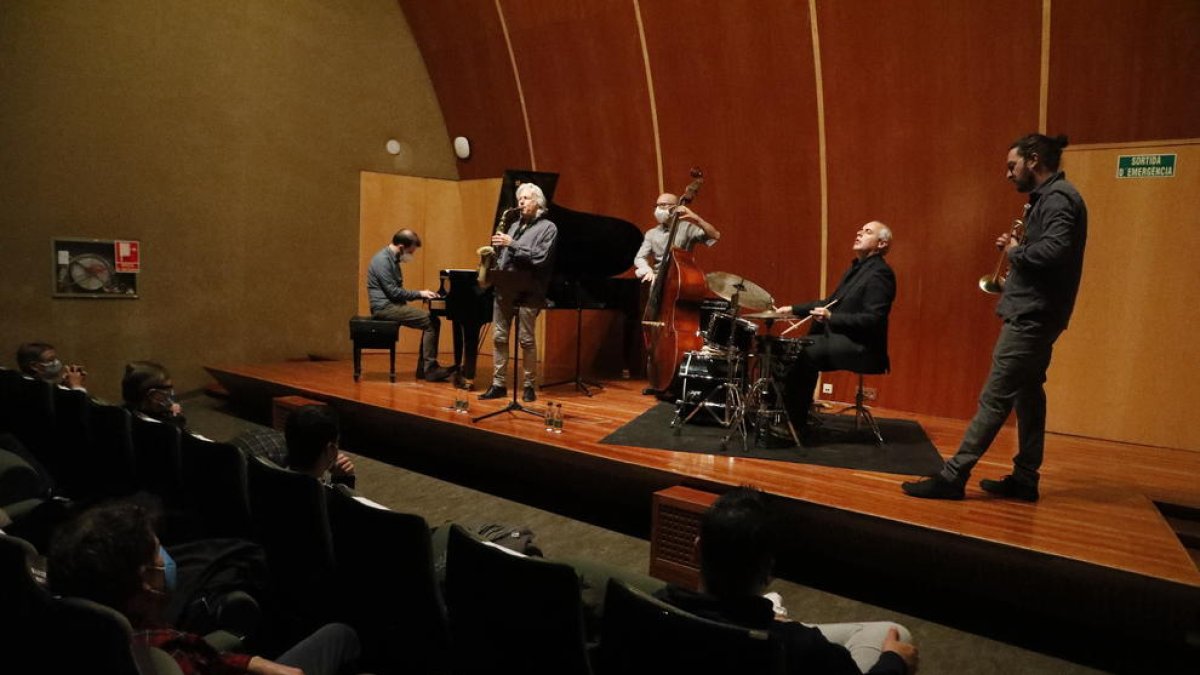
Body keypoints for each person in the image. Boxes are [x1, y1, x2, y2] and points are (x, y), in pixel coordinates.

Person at [903, 134, 1086, 502]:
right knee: (1028, 395)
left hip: (1032, 317)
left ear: (1033, 161)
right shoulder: (1050, 198)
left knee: (994, 398)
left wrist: (1016, 251)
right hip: (1036, 311)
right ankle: (1025, 478)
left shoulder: (1059, 198)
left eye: (1011, 166)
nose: (1008, 175)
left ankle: (953, 476)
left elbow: (1055, 252)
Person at [47, 501, 360, 675]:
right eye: (159, 551)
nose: (169, 558)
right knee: (340, 635)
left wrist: (251, 662)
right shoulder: (162, 656)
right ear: (145, 584)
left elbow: (205, 660)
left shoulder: (79, 632)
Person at [655, 488, 918, 674]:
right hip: (765, 633)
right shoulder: (801, 646)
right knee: (894, 633)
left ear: (696, 550)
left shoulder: (652, 607)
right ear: (769, 572)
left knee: (771, 610)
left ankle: (770, 610)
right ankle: (770, 611)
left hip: (725, 621)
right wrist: (893, 661)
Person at [774, 222, 895, 442]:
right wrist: (792, 309)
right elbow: (830, 303)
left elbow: (874, 320)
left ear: (881, 243)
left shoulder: (880, 274)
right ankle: (785, 414)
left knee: (805, 352)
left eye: (867, 232)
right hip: (843, 339)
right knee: (788, 348)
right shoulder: (856, 269)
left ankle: (796, 425)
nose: (859, 232)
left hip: (863, 347)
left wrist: (833, 318)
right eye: (859, 229)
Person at [479, 182, 558, 403]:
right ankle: (498, 384)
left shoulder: (548, 228)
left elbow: (540, 257)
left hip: (529, 291)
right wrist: (493, 260)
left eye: (526, 199)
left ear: (538, 202)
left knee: (526, 340)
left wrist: (511, 244)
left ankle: (529, 386)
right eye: (519, 199)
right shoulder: (513, 225)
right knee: (499, 337)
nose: (520, 202)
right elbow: (506, 256)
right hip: (505, 289)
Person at [366, 228, 452, 382]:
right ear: (401, 247)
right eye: (410, 252)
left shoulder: (391, 258)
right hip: (384, 308)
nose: (411, 256)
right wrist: (420, 294)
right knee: (431, 321)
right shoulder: (382, 261)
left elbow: (396, 293)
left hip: (391, 305)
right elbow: (394, 293)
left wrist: (422, 296)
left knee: (430, 320)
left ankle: (424, 369)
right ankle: (430, 369)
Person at [632, 192, 721, 285]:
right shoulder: (651, 233)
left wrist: (696, 218)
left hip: (682, 280)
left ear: (675, 208)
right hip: (657, 281)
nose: (658, 209)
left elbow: (715, 235)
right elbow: (639, 257)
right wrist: (647, 270)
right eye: (657, 206)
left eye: (663, 205)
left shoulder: (687, 228)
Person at [283, 405, 356, 491]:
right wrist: (344, 483)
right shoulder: (321, 498)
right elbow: (342, 504)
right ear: (330, 450)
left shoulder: (271, 479)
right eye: (337, 442)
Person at [122, 361, 189, 431]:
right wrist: (177, 417)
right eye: (167, 390)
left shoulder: (123, 414)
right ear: (151, 394)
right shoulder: (162, 425)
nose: (169, 394)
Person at [16, 342, 87, 391]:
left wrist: (66, 385)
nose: (56, 362)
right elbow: (80, 409)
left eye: (55, 358)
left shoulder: (46, 387)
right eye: (50, 360)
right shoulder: (30, 390)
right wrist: (76, 385)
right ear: (34, 366)